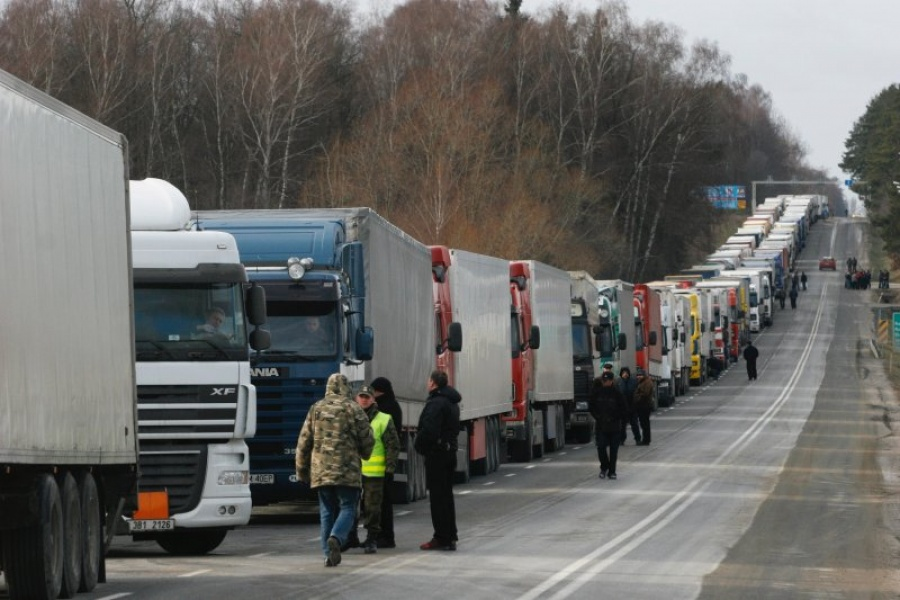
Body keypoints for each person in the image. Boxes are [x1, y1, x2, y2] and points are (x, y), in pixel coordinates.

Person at [295, 373, 374, 567]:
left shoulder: (316, 409)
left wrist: (301, 471)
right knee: (348, 507)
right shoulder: (354, 409)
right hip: (347, 470)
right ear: (347, 388)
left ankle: (327, 555)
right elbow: (367, 439)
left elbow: (304, 442)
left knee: (326, 511)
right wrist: (365, 454)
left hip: (321, 471)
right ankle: (337, 538)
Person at [415, 370, 461, 551]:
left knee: (438, 498)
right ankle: (450, 536)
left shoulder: (436, 403)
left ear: (433, 383)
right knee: (447, 497)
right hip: (449, 453)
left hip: (437, 455)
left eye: (429, 380)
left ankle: (441, 537)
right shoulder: (452, 402)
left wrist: (420, 446)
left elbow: (429, 431)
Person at [354, 384, 400, 554]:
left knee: (373, 508)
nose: (364, 400)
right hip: (353, 471)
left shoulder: (384, 419)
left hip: (375, 472)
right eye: (361, 396)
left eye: (367, 397)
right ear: (356, 399)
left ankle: (372, 538)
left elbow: (393, 446)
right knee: (351, 507)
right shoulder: (350, 418)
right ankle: (351, 537)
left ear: (373, 399)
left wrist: (390, 468)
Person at [371, 376, 402, 549]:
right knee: (382, 501)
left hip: (380, 462)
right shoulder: (394, 406)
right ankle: (383, 535)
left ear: (379, 391)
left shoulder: (383, 408)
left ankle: (385, 536)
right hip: (385, 461)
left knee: (382, 503)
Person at [588, 371, 626, 479]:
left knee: (614, 451)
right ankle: (604, 467)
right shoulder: (597, 393)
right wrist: (598, 417)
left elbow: (624, 409)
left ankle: (612, 472)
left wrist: (615, 417)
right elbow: (591, 407)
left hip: (614, 426)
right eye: (604, 381)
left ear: (612, 381)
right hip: (601, 426)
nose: (606, 382)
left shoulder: (617, 394)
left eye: (608, 380)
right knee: (601, 448)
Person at [616, 367, 640, 445]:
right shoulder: (618, 382)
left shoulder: (633, 381)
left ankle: (638, 439)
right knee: (622, 426)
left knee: (634, 424)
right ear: (621, 374)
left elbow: (637, 393)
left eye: (626, 373)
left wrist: (635, 404)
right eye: (623, 373)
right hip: (622, 408)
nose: (625, 374)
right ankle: (621, 440)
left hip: (632, 407)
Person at [633, 368, 655, 446]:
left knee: (645, 424)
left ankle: (646, 440)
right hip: (642, 406)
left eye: (640, 375)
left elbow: (645, 394)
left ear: (644, 375)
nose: (639, 376)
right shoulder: (642, 382)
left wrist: (636, 397)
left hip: (645, 406)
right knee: (643, 423)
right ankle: (645, 439)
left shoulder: (647, 382)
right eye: (638, 375)